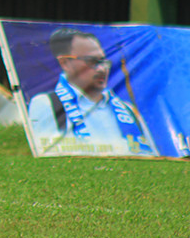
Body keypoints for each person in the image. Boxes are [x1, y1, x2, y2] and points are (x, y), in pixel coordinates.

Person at [27, 27, 155, 156]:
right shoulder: (48, 104)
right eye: (92, 62)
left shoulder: (127, 110)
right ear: (65, 63)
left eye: (104, 61)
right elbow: (48, 157)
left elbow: (150, 158)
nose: (102, 69)